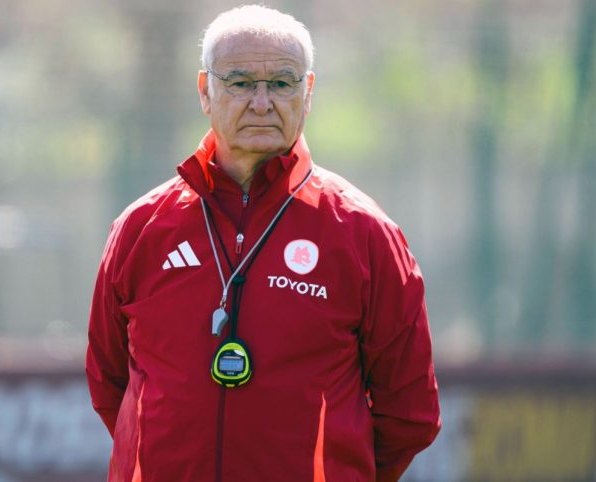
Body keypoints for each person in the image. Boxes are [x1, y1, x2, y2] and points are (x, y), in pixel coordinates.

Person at [86, 5, 440, 482]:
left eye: (281, 83)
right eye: (239, 82)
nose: (261, 102)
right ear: (205, 91)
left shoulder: (365, 234)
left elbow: (409, 414)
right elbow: (110, 384)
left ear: (308, 93)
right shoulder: (141, 227)